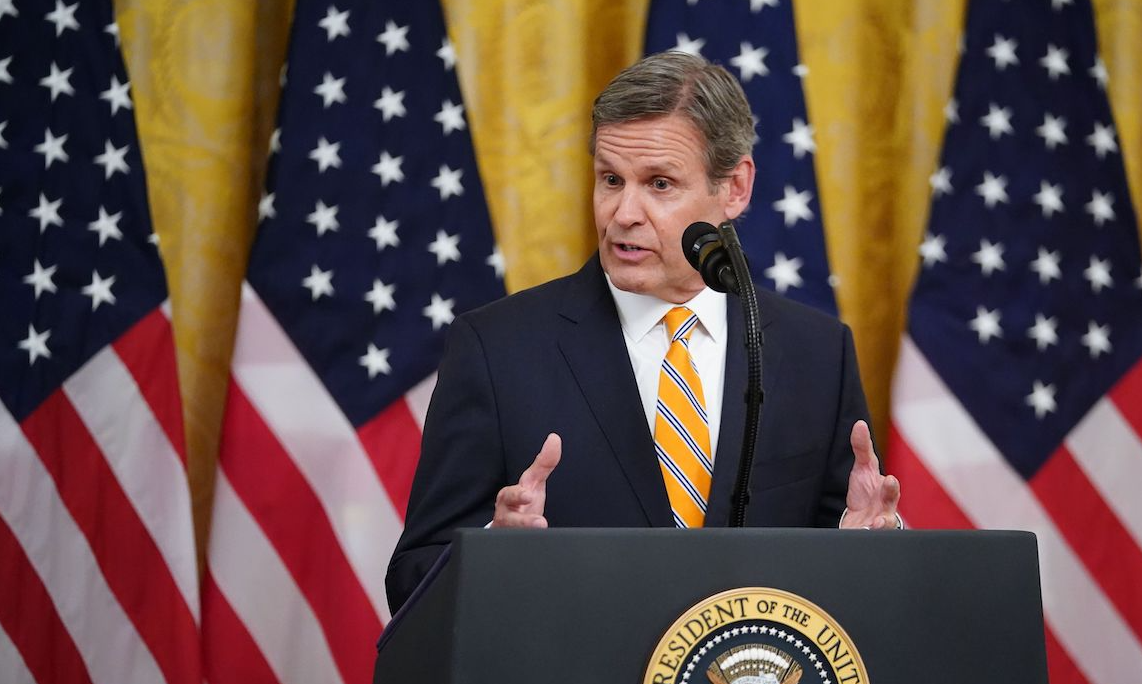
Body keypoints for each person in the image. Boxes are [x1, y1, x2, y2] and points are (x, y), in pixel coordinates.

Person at [385, 51, 900, 615]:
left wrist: (867, 546)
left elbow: (846, 586)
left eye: (659, 184)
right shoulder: (497, 350)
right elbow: (412, 576)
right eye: (611, 179)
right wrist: (492, 556)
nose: (623, 213)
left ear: (735, 188)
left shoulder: (816, 353)